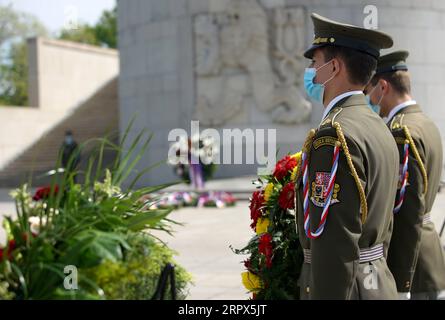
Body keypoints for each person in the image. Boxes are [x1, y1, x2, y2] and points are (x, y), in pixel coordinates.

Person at [294, 13, 399, 299]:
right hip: (376, 283)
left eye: (315, 64)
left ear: (334, 67)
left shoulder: (333, 136)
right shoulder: (378, 124)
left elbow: (333, 243)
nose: (312, 72)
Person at [365, 50, 445, 300]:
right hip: (429, 257)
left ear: (383, 86)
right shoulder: (425, 122)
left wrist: (402, 282)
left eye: (369, 90)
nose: (368, 97)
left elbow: (406, 211)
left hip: (412, 264)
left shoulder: (401, 132)